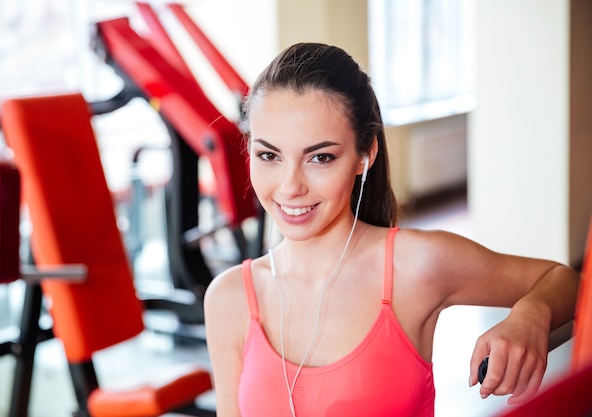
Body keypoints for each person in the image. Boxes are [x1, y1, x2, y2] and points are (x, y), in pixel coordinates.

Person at [203, 42, 580, 417]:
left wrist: (532, 315)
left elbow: (567, 280)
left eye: (320, 157)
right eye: (269, 155)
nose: (290, 186)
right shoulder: (229, 298)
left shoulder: (415, 266)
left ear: (364, 155)